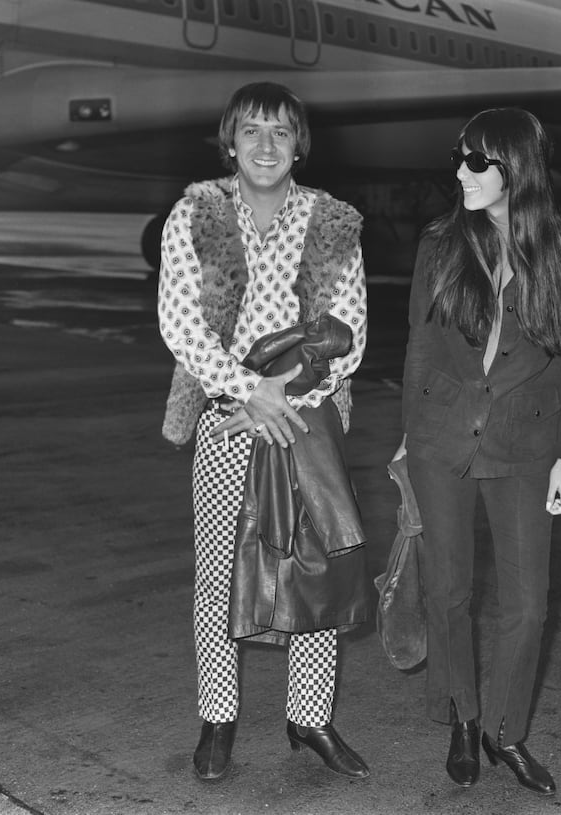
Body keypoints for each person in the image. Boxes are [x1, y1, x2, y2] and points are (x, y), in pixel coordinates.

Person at [157, 82, 370, 781]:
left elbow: (352, 336)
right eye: (252, 130)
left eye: (281, 131)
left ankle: (309, 717)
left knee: (312, 571)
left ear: (299, 143)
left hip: (306, 428)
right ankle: (217, 718)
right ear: (229, 141)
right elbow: (181, 325)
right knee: (218, 577)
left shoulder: (334, 223)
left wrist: (286, 400)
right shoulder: (196, 214)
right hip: (228, 425)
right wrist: (250, 394)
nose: (267, 145)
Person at [394, 108, 561, 793]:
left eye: (477, 162)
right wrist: (408, 436)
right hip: (441, 437)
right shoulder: (439, 245)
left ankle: (505, 731)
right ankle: (462, 714)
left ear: (517, 170)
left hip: (527, 442)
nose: (461, 173)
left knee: (529, 604)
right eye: (460, 159)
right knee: (447, 591)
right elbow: (421, 348)